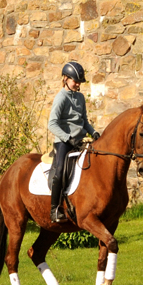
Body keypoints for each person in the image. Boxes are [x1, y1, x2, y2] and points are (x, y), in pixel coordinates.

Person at [48, 61, 100, 223]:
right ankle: (55, 209)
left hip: (79, 141)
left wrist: (94, 132)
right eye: (74, 81)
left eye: (79, 82)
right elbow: (52, 124)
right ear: (65, 79)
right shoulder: (60, 98)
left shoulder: (80, 97)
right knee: (60, 171)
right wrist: (67, 138)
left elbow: (84, 121)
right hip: (64, 142)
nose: (77, 84)